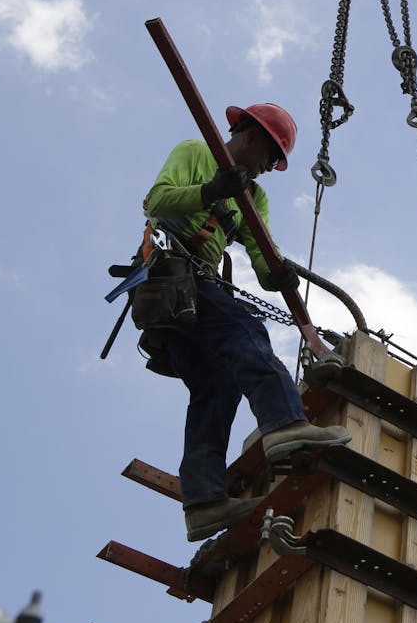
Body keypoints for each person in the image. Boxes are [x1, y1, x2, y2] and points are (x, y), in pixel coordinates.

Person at [143, 103, 351, 541]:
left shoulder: (254, 198)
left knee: (216, 387)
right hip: (174, 278)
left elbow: (261, 256)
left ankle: (203, 501)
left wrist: (278, 272)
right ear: (251, 135)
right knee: (246, 332)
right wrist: (210, 189)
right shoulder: (196, 153)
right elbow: (157, 201)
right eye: (270, 158)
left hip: (190, 299)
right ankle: (284, 425)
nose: (269, 169)